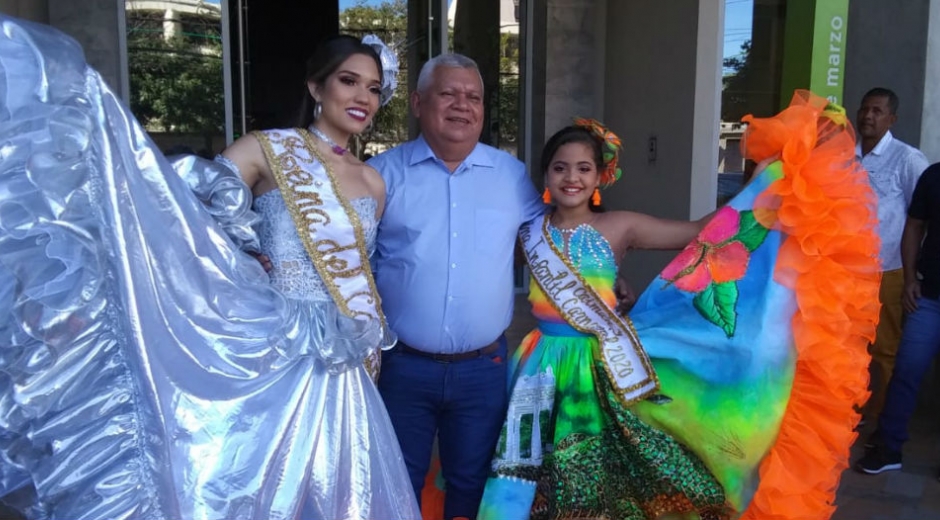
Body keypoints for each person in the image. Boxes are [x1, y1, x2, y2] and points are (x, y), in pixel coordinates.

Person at [0, 16, 420, 520]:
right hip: (279, 351)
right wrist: (244, 253)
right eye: (348, 81)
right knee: (267, 485)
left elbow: (362, 267)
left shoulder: (373, 181)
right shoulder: (266, 149)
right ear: (316, 87)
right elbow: (184, 213)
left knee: (341, 488)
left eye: (373, 88)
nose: (363, 97)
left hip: (345, 357)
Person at [478, 92, 881, 519]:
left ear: (600, 177)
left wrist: (754, 190)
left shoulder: (620, 226)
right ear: (546, 174)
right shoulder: (528, 232)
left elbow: (699, 232)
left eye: (583, 168)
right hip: (538, 366)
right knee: (526, 467)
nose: (571, 178)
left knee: (593, 475)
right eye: (560, 168)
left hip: (601, 366)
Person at [366, 53, 545, 519]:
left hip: (482, 369)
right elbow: (350, 258)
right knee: (395, 481)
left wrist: (602, 274)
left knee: (471, 483)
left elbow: (546, 244)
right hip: (402, 366)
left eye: (474, 97)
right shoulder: (382, 174)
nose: (462, 105)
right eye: (448, 93)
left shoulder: (510, 175)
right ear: (418, 102)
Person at [855, 162, 940, 479]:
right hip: (929, 296)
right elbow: (914, 226)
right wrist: (908, 279)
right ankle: (889, 449)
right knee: (906, 370)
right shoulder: (934, 176)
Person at [855, 87, 930, 425]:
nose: (868, 116)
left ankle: (879, 420)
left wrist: (912, 273)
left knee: (884, 349)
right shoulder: (845, 157)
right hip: (845, 273)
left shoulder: (908, 159)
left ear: (891, 119)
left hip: (888, 270)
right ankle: (846, 415)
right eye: (865, 109)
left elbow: (921, 217)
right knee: (849, 346)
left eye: (877, 111)